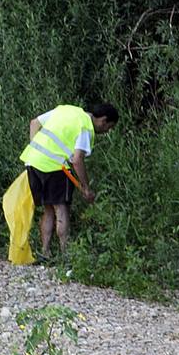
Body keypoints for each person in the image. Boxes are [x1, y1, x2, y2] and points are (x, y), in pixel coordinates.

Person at [19, 101, 117, 259]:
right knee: (61, 209)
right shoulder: (85, 127)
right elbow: (77, 160)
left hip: (33, 162)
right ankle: (66, 254)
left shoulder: (66, 110)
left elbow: (34, 123)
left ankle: (45, 252)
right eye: (109, 127)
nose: (108, 131)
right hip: (56, 167)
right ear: (103, 120)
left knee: (48, 208)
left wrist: (35, 149)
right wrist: (86, 188)